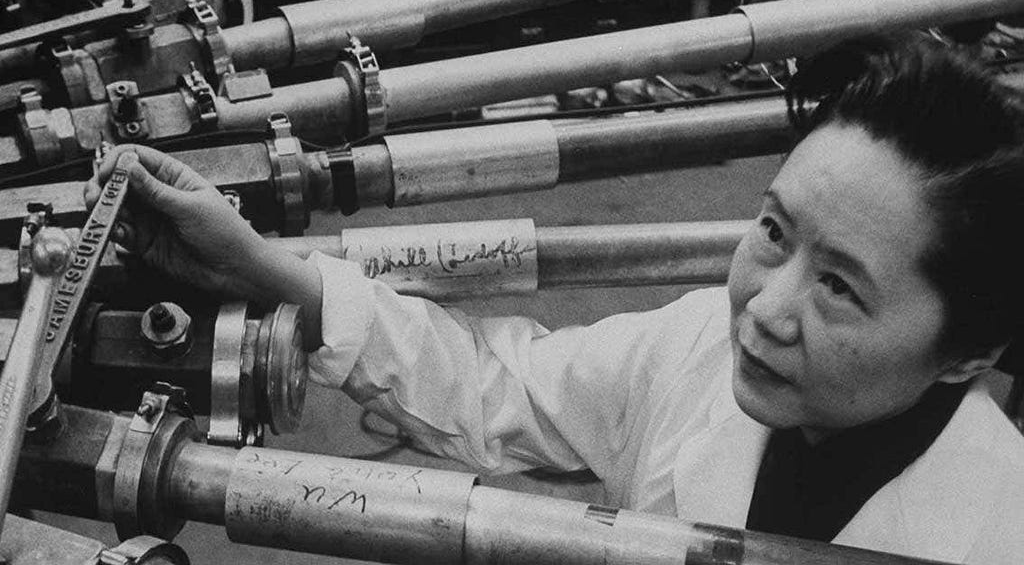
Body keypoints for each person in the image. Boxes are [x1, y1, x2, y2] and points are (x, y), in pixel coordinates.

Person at [86, 33, 1024, 563]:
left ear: (970, 351)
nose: (766, 309)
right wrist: (259, 265)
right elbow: (502, 388)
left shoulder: (996, 531)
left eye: (839, 287)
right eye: (774, 232)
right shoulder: (700, 344)